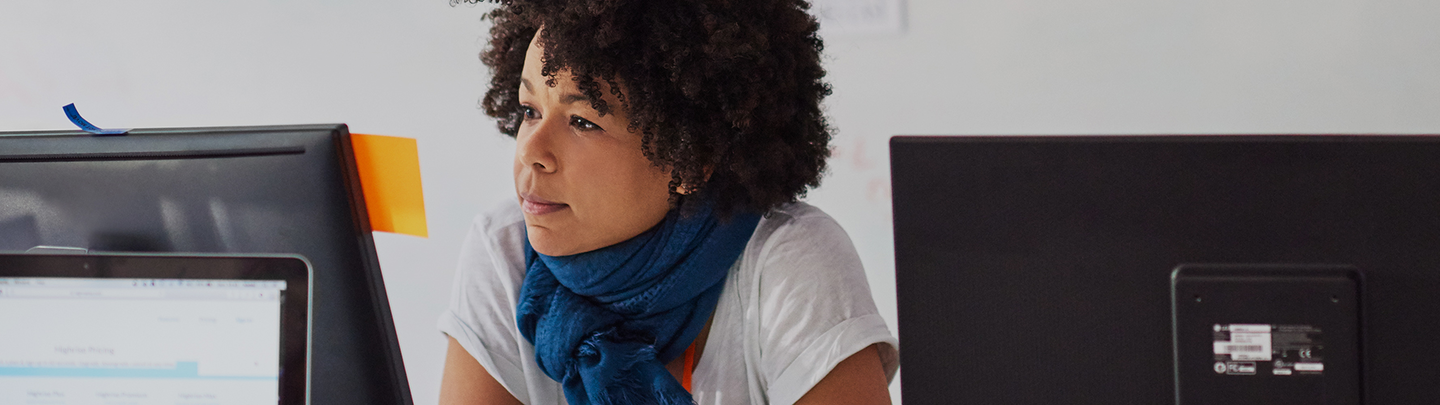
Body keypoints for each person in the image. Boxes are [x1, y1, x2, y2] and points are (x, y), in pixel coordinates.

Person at [437, 0, 898, 404]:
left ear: (689, 158)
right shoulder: (502, 251)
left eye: (582, 121)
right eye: (530, 110)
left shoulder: (792, 261)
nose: (530, 152)